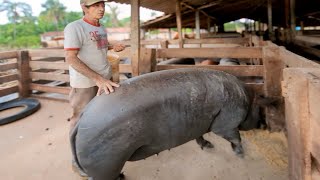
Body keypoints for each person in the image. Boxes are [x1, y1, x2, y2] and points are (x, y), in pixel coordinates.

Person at [64, 0, 125, 177]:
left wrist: (112, 46)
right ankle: (77, 159)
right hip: (85, 84)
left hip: (105, 80)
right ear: (84, 7)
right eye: (96, 5)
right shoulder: (74, 27)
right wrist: (98, 79)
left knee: (103, 118)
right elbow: (71, 58)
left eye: (103, 5)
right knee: (79, 120)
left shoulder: (100, 27)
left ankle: (101, 154)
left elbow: (98, 46)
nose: (101, 8)